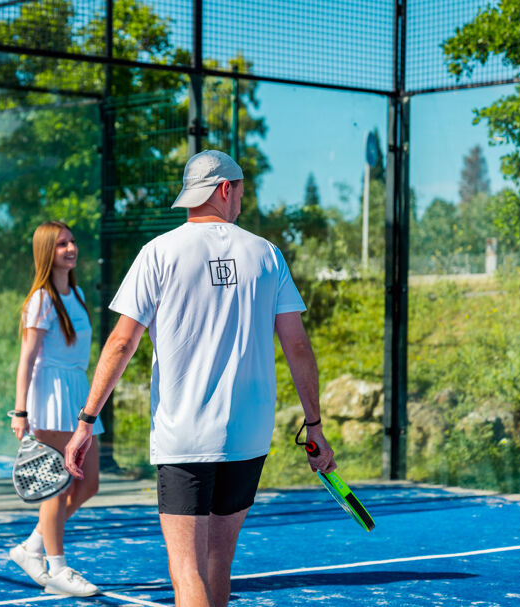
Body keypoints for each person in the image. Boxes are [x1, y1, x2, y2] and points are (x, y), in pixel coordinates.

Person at [64, 150, 337, 607]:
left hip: (184, 437)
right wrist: (314, 427)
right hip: (248, 437)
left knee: (186, 572)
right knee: (217, 566)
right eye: (243, 190)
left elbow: (120, 344)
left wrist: (87, 420)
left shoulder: (158, 252)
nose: (243, 200)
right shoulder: (267, 255)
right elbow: (298, 346)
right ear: (226, 189)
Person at [8, 220, 103, 598]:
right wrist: (20, 411)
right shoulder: (41, 300)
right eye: (62, 244)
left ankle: (32, 547)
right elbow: (27, 359)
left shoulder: (76, 293)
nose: (70, 248)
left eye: (72, 242)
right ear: (47, 252)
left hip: (78, 393)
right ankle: (57, 570)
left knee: (88, 482)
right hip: (48, 397)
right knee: (55, 486)